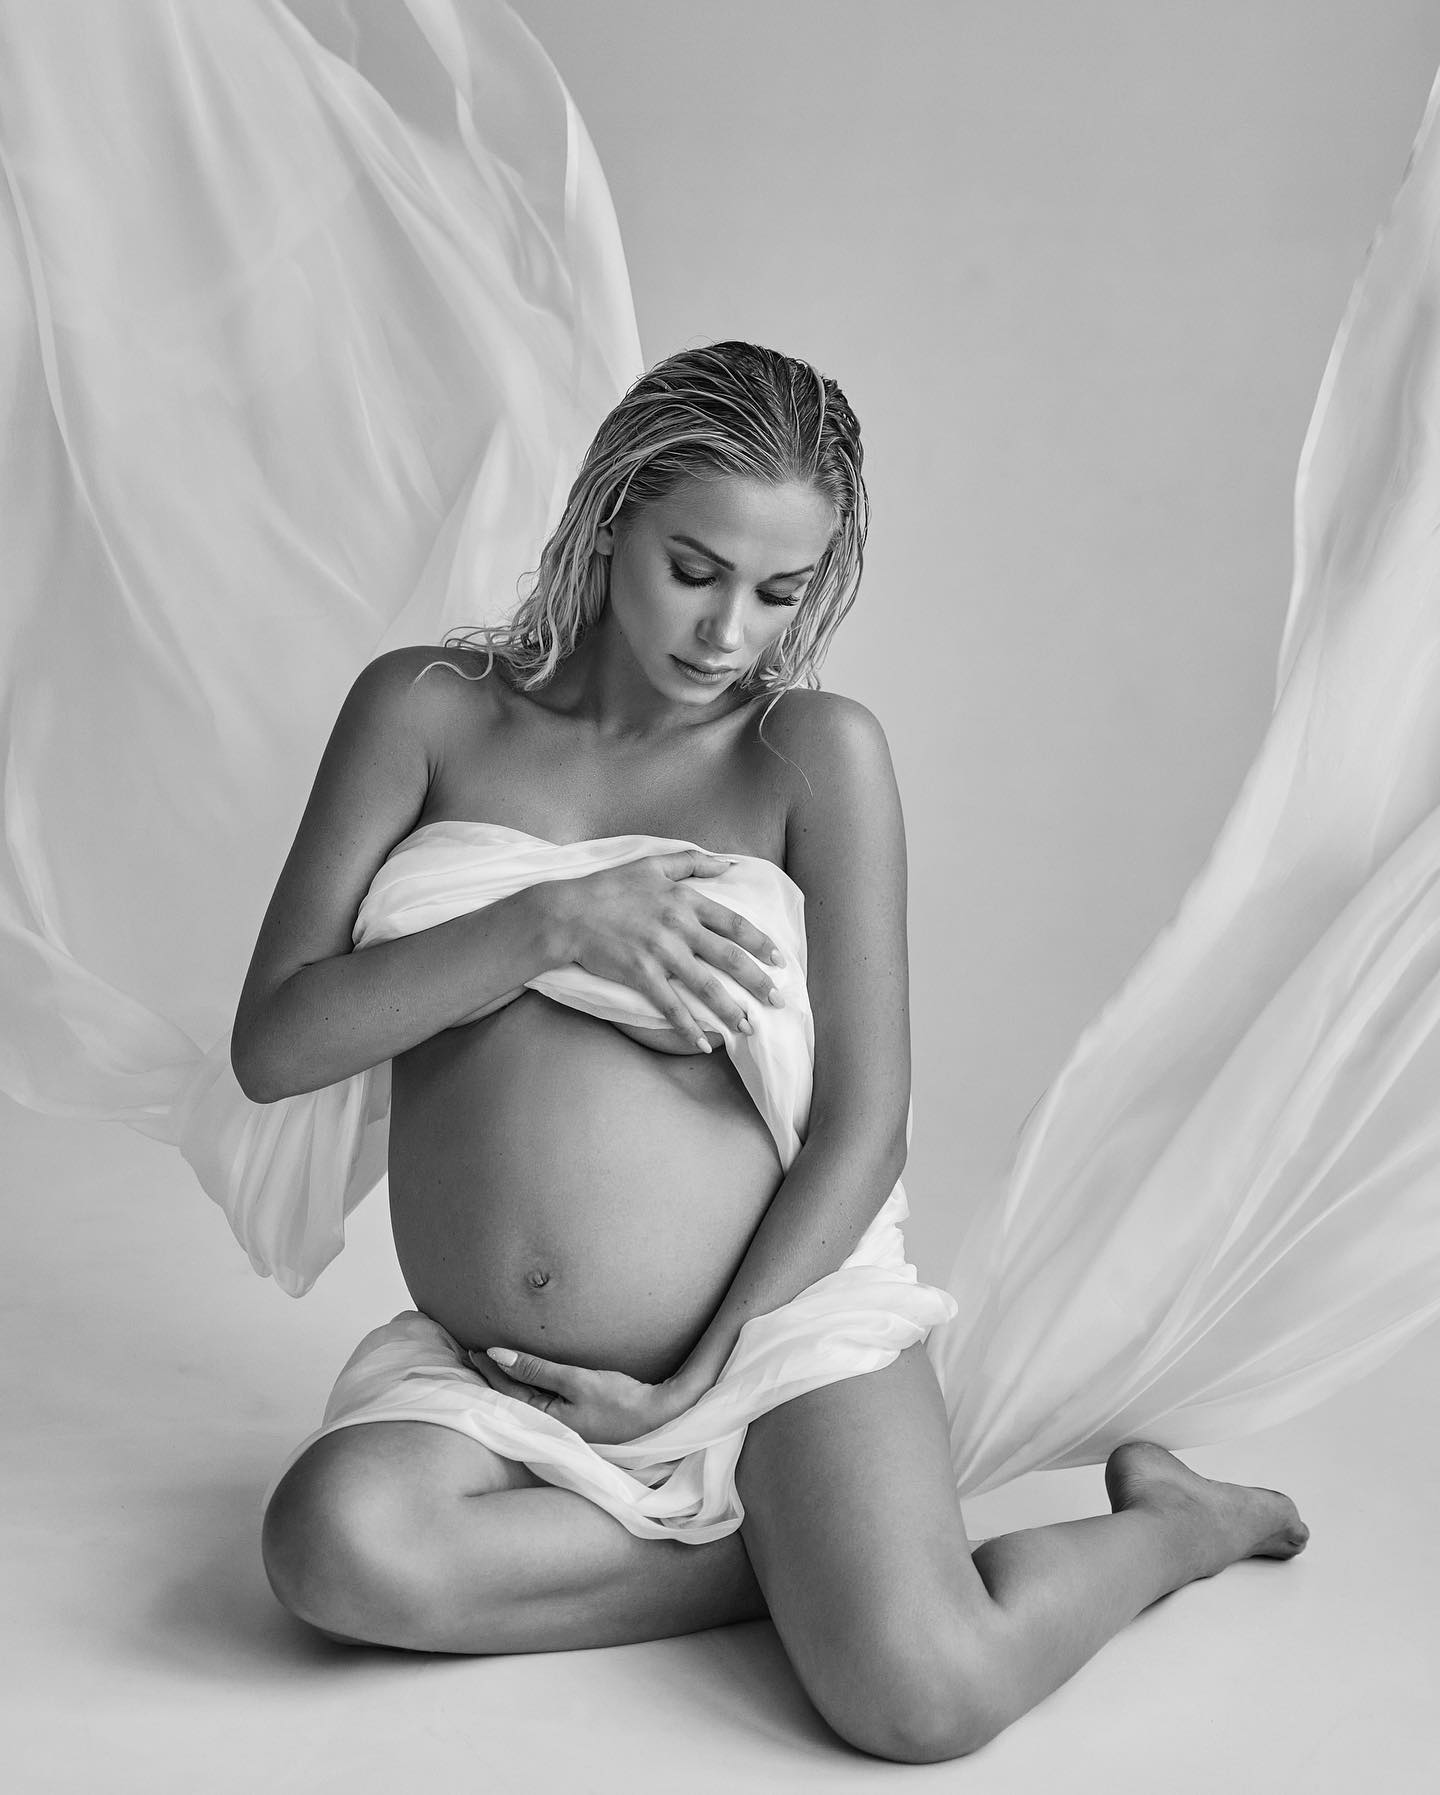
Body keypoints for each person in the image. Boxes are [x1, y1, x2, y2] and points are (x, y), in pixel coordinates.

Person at [236, 340, 1307, 1765]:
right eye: (694, 569)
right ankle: (812, 1562)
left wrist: (701, 1376)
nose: (727, 631)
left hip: (781, 1332)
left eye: (780, 590)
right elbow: (276, 1044)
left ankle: (1173, 1527)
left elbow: (868, 1122)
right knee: (332, 1550)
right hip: (504, 1379)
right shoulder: (426, 709)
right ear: (609, 516)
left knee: (923, 1700)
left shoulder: (815, 757)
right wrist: (548, 926)